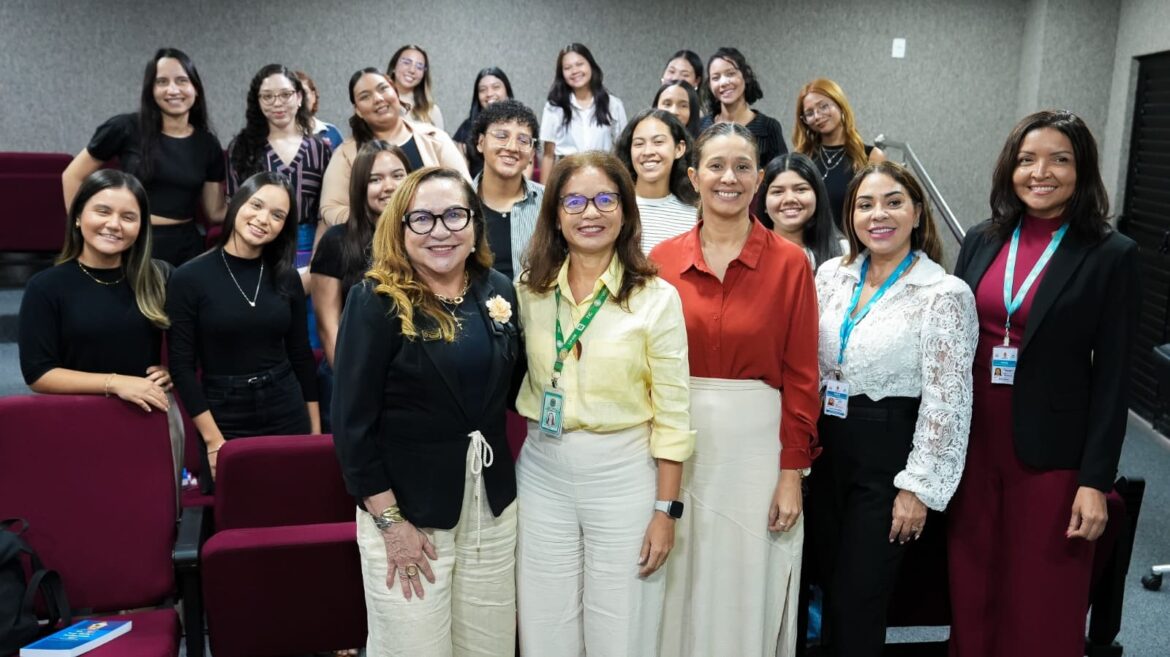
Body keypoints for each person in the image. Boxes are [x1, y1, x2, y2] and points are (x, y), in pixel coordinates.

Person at [947, 110, 1140, 657]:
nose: (1041, 172)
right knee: (971, 592)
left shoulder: (1111, 254)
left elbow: (1114, 377)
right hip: (973, 442)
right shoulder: (982, 239)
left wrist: (1094, 481)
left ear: (1083, 171)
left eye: (1060, 159)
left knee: (1041, 601)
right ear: (1010, 168)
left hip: (1053, 455)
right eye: (1028, 159)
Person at [332, 167, 522, 657]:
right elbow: (352, 425)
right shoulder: (374, 301)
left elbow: (515, 388)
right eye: (423, 219)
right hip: (409, 514)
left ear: (475, 222)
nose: (441, 231)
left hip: (490, 511)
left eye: (455, 215)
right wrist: (391, 522)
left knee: (490, 647)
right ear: (400, 228)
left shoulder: (497, 288)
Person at [650, 122, 821, 657]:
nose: (730, 178)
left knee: (746, 584)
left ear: (759, 178)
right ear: (694, 176)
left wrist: (792, 473)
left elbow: (801, 377)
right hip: (675, 442)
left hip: (755, 451)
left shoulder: (791, 264)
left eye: (743, 167)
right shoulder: (659, 261)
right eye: (717, 166)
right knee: (674, 584)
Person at [515, 151, 693, 656]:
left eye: (604, 199)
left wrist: (666, 509)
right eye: (574, 200)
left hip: (623, 472)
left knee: (621, 626)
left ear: (625, 210)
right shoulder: (530, 291)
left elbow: (675, 412)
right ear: (554, 213)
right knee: (545, 623)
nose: (589, 212)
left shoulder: (656, 298)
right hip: (543, 469)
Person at [810, 161, 977, 657]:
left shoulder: (943, 293)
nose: (878, 215)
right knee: (822, 587)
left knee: (860, 598)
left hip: (889, 457)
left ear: (917, 211)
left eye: (893, 202)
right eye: (865, 204)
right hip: (824, 449)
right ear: (850, 215)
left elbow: (949, 402)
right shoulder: (830, 276)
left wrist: (918, 489)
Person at [167, 172, 320, 491]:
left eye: (277, 215)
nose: (264, 219)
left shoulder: (286, 277)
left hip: (285, 403)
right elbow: (182, 369)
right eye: (257, 205)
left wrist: (315, 431)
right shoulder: (188, 278)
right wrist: (213, 441)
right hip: (224, 412)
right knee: (238, 505)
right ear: (236, 204)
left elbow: (301, 357)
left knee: (293, 499)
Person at [20, 169, 171, 411]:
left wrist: (170, 371)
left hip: (145, 414)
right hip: (75, 415)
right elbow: (38, 374)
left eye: (128, 217)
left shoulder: (159, 277)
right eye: (103, 211)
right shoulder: (45, 286)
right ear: (78, 216)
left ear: (141, 226)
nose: (114, 224)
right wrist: (115, 383)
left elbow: (196, 345)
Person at [62, 47, 226, 266]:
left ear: (195, 89)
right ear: (151, 90)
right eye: (162, 82)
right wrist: (83, 229)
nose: (173, 89)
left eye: (181, 80)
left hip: (186, 248)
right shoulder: (125, 128)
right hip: (133, 242)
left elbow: (215, 212)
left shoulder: (207, 143)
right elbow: (72, 176)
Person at [312, 141, 413, 432]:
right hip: (348, 377)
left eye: (397, 175)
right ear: (359, 187)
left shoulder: (426, 236)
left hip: (409, 379)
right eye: (375, 179)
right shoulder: (336, 241)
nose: (389, 186)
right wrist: (352, 382)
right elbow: (329, 327)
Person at [227, 64, 333, 289]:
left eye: (285, 94)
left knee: (309, 322)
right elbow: (234, 208)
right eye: (267, 96)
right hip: (256, 247)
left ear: (299, 97)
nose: (277, 103)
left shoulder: (320, 147)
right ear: (257, 101)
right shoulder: (242, 147)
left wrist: (317, 263)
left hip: (310, 249)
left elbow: (327, 212)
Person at [319, 68, 468, 228]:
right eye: (365, 96)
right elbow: (331, 208)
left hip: (436, 237)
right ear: (358, 111)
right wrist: (378, 226)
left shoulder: (435, 138)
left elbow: (464, 189)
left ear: (395, 92)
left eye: (383, 89)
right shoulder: (346, 153)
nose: (377, 98)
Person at [793, 78, 886, 230]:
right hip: (810, 247)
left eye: (823, 106)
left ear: (840, 105)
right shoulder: (802, 159)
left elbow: (879, 210)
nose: (817, 116)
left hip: (854, 247)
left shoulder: (871, 156)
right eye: (809, 113)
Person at [470, 99, 544, 281]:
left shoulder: (549, 201)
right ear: (480, 142)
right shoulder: (458, 202)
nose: (512, 147)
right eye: (502, 135)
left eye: (523, 140)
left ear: (532, 154)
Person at [539, 43, 628, 181]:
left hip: (604, 178)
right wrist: (542, 195)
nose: (574, 71)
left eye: (580, 64)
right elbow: (548, 155)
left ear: (591, 65)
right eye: (568, 68)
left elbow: (623, 150)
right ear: (562, 74)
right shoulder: (554, 107)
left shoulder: (613, 104)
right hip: (567, 179)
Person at [615, 109, 697, 253]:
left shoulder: (695, 214)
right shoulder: (613, 207)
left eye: (658, 142)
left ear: (679, 148)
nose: (648, 152)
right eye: (639, 144)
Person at [698, 47, 787, 169]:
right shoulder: (700, 127)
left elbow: (780, 176)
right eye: (716, 77)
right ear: (709, 85)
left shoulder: (769, 127)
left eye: (730, 73)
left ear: (745, 76)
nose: (723, 82)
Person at [758, 152, 846, 268]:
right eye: (777, 192)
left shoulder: (843, 251)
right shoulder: (749, 252)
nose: (789, 199)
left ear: (817, 196)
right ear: (764, 202)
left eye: (800, 189)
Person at [452, 67, 516, 178]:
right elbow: (462, 174)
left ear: (507, 90)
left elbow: (527, 166)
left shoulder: (522, 124)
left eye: (496, 87)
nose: (489, 93)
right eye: (482, 90)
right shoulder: (467, 127)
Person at [387, 45, 444, 129]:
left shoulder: (431, 111)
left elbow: (441, 142)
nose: (412, 70)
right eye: (406, 62)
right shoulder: (378, 103)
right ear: (394, 67)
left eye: (419, 67)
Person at [295, 70, 345, 149]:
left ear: (313, 95)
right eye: (295, 94)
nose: (300, 99)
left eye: (304, 93)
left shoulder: (331, 133)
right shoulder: (277, 136)